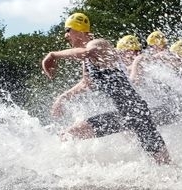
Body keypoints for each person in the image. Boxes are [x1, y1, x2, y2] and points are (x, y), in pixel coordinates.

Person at [43, 13, 171, 164]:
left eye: (68, 30)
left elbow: (86, 53)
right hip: (123, 115)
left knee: (164, 163)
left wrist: (53, 55)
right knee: (68, 135)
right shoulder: (87, 60)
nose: (66, 35)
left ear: (78, 30)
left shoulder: (98, 44)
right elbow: (86, 83)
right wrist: (62, 98)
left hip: (136, 112)